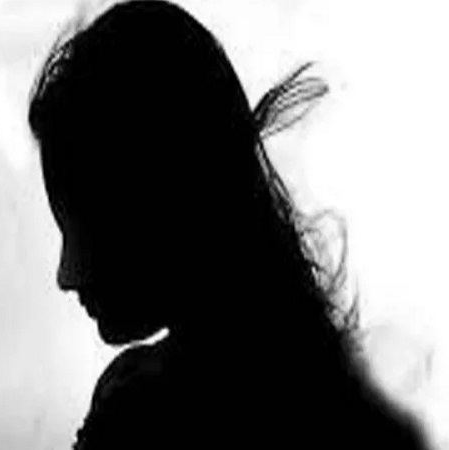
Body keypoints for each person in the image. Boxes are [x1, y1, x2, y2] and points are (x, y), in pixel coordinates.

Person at [27, 1, 431, 448]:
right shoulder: (345, 402)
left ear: (162, 203)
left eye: (86, 228)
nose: (66, 275)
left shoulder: (141, 414)